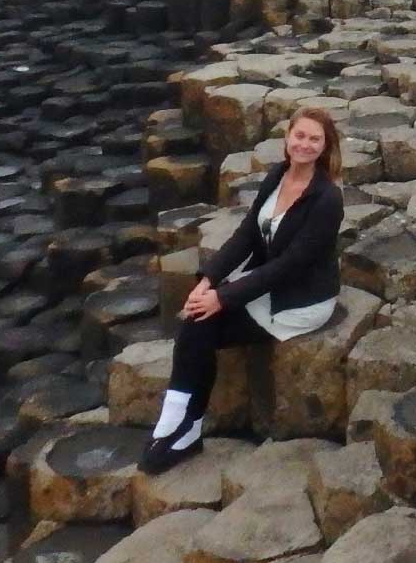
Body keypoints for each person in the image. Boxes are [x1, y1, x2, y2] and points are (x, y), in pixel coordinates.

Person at [141, 105, 347, 473]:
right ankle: (179, 424)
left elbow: (290, 267)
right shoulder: (278, 175)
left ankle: (181, 428)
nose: (305, 144)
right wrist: (208, 280)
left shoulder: (328, 200)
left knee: (203, 319)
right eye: (299, 135)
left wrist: (223, 297)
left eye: (314, 139)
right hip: (269, 285)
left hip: (298, 300)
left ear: (325, 146)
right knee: (195, 316)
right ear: (287, 138)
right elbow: (248, 235)